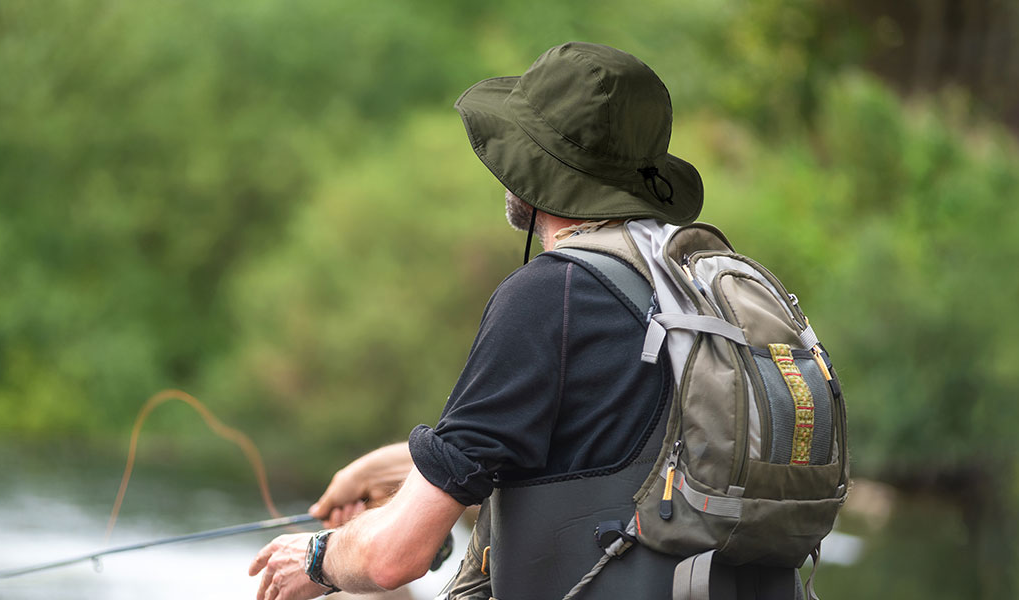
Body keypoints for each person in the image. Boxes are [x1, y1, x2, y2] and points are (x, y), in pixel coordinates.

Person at [250, 41, 710, 600]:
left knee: (371, 592)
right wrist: (387, 470)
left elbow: (394, 558)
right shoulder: (700, 287)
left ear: (536, 168)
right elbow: (618, 467)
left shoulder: (553, 295)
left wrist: (317, 556)